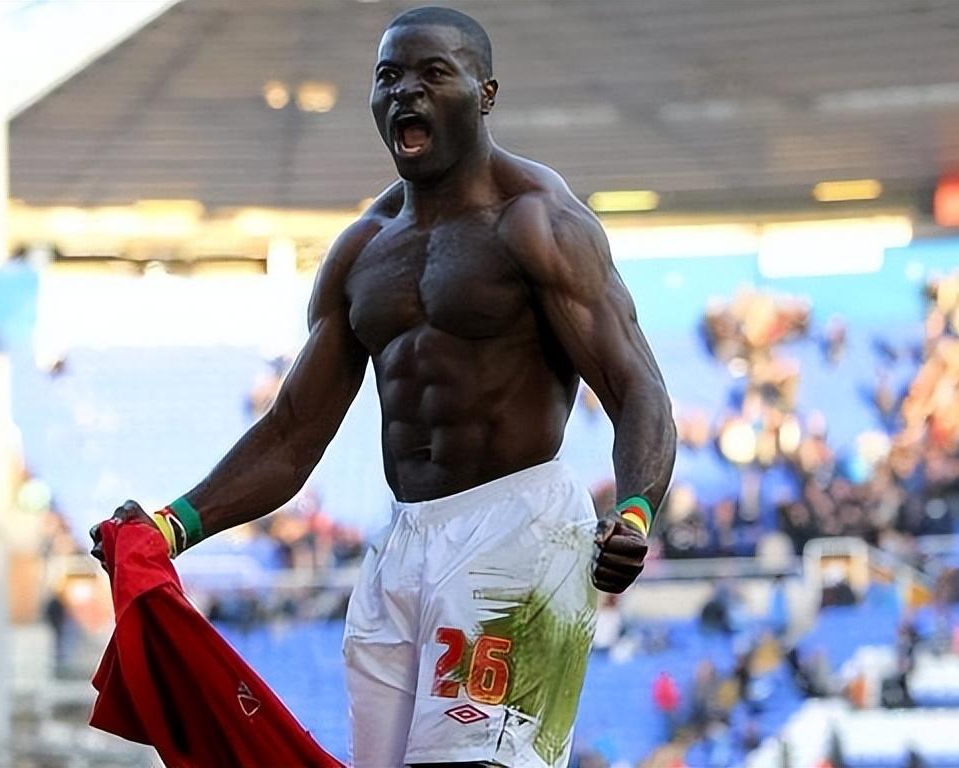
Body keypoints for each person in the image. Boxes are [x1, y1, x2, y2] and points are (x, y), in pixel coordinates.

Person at [91, 6, 675, 767]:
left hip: (520, 533)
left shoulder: (538, 222)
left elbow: (638, 389)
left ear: (485, 94)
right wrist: (170, 528)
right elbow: (292, 433)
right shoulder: (362, 251)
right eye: (389, 76)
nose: (407, 92)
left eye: (434, 74)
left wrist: (634, 510)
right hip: (403, 545)